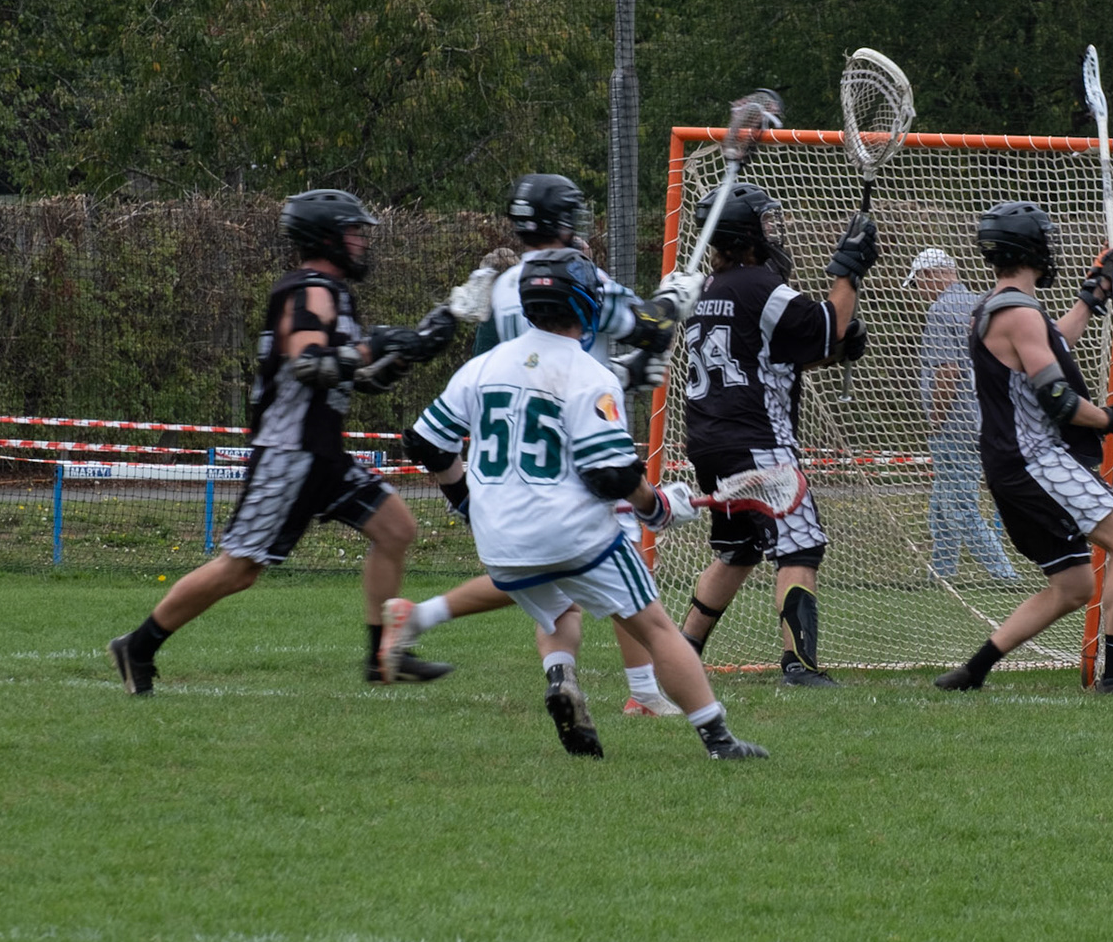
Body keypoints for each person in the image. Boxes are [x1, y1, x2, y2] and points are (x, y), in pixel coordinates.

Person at [416, 246, 767, 759]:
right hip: (571, 535)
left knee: (559, 611)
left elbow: (426, 443)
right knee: (655, 628)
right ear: (583, 303)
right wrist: (656, 507)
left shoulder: (483, 366)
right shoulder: (588, 373)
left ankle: (560, 676)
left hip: (499, 545)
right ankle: (719, 739)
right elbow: (610, 474)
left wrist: (466, 502)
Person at [108, 189, 458, 695]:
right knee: (240, 569)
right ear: (326, 237)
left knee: (396, 529)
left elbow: (360, 380)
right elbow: (310, 364)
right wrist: (375, 345)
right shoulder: (309, 289)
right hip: (289, 454)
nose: (361, 242)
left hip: (323, 455)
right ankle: (138, 647)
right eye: (353, 232)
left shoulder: (333, 294)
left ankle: (383, 657)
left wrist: (413, 349)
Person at [381, 174, 686, 715]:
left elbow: (529, 364)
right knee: (615, 568)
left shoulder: (505, 286)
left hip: (511, 449)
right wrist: (674, 299)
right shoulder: (577, 276)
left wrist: (461, 494)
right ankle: (645, 693)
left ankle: (589, 679)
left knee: (543, 575)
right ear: (563, 221)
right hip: (576, 448)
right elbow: (647, 329)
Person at [932, 202, 1113, 696]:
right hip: (1036, 461)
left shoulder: (997, 307)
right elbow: (1058, 398)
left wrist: (1092, 296)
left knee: (1074, 585)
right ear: (1033, 248)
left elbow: (1051, 341)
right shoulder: (1018, 313)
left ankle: (973, 671)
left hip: (1011, 466)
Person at [674, 182, 877, 686]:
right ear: (745, 232)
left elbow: (766, 356)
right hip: (758, 442)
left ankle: (680, 652)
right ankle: (799, 665)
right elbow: (828, 324)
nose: (774, 230)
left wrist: (832, 350)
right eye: (766, 222)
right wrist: (848, 269)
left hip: (710, 441)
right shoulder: (759, 285)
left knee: (738, 550)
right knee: (800, 547)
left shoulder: (706, 289)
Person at [903, 247, 1018, 582]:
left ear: (930, 275)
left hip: (955, 423)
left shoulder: (941, 311)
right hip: (985, 415)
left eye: (918, 282)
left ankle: (1004, 575)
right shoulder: (981, 304)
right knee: (942, 503)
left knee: (960, 504)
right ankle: (941, 572)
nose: (919, 291)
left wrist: (935, 419)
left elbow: (948, 371)